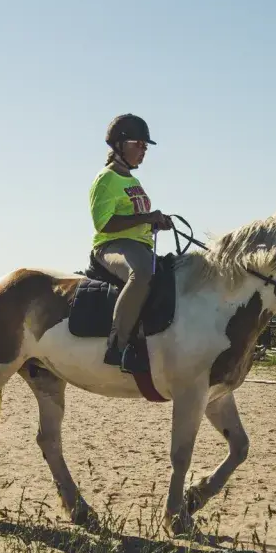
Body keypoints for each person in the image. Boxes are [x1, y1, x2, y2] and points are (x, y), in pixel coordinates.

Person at [89, 113, 174, 371]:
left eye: (145, 146)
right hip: (111, 246)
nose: (143, 150)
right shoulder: (106, 179)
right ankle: (118, 345)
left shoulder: (133, 181)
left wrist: (155, 223)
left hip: (139, 245)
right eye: (138, 144)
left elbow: (136, 219)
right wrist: (147, 217)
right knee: (142, 273)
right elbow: (103, 223)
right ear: (119, 145)